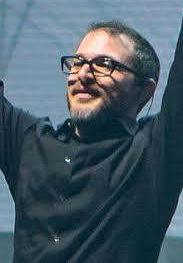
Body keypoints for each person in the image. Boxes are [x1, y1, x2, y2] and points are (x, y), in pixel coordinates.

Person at [0, 17, 183, 263]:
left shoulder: (153, 152)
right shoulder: (28, 142)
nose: (83, 74)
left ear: (145, 91)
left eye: (103, 64)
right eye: (77, 63)